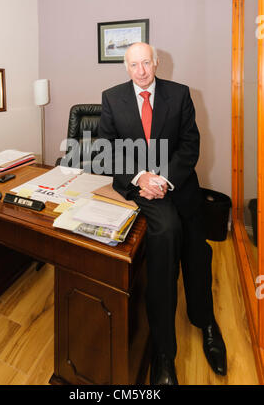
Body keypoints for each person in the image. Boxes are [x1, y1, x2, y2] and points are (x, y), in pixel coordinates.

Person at [98, 42, 227, 385]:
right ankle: (164, 353)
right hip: (142, 191)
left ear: (156, 63)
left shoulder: (180, 94)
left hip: (180, 185)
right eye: (133, 65)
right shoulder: (111, 98)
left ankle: (205, 321)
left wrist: (165, 178)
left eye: (146, 63)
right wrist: (141, 178)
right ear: (125, 68)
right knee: (163, 257)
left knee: (197, 255)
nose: (140, 71)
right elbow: (107, 151)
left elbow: (190, 144)